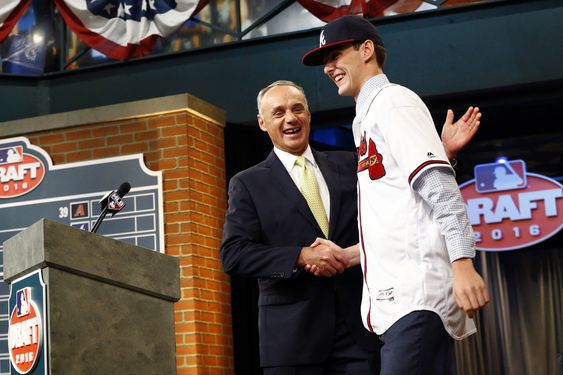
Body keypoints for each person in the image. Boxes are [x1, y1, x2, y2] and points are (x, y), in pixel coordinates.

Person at [221, 78, 481, 374]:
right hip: (293, 340)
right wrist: (302, 256)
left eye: (297, 109)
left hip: (357, 335)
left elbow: (403, 196)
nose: (290, 118)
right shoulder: (248, 183)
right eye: (278, 113)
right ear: (262, 122)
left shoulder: (350, 164)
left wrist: (443, 154)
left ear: (308, 114)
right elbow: (234, 254)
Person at [301, 15, 490, 374]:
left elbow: (439, 189)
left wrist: (462, 263)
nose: (328, 67)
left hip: (416, 299)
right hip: (400, 304)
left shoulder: (393, 102)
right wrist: (348, 255)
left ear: (367, 49)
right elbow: (402, 213)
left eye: (336, 54)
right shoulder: (366, 116)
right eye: (324, 61)